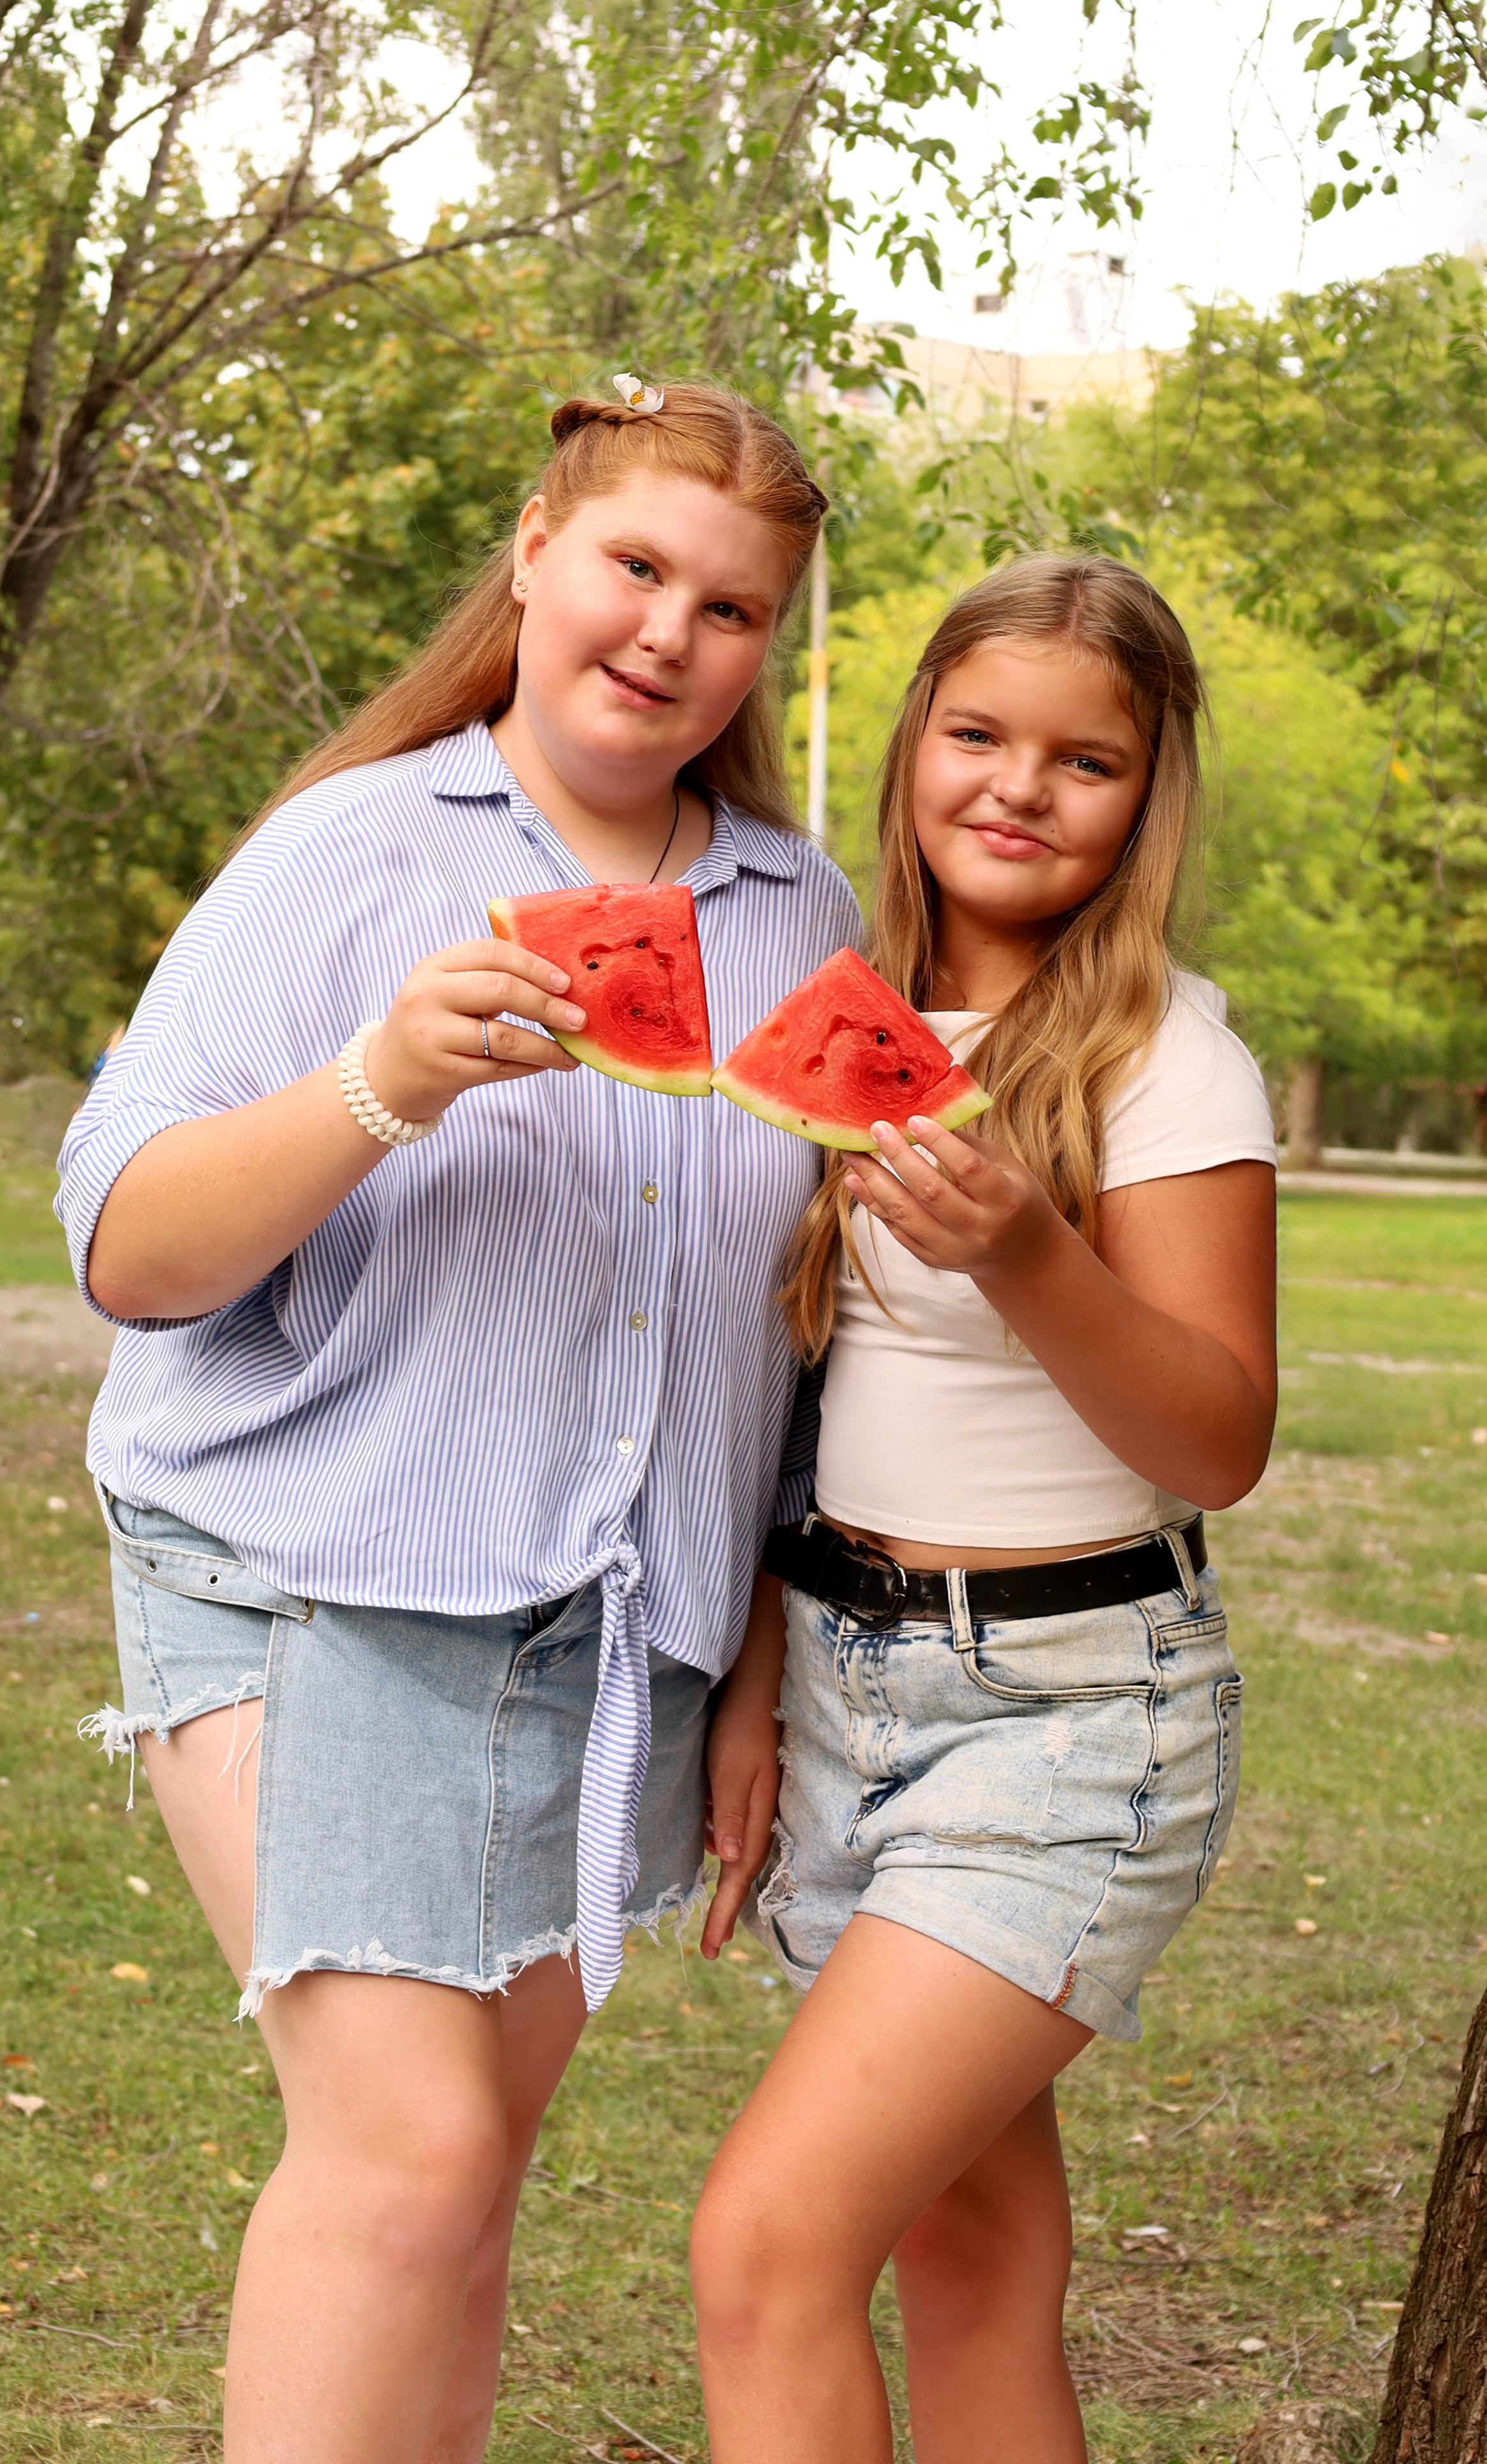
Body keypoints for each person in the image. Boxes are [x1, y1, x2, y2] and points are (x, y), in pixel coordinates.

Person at [56, 379, 858, 2464]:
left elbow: (798, 1341)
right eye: (637, 567)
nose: (675, 630)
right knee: (404, 2166)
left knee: (463, 2202)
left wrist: (753, 1654)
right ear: (532, 553)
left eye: (735, 605)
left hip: (617, 1658)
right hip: (304, 1580)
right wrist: (386, 1080)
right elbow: (130, 1246)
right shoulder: (358, 844)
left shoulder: (800, 918)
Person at [690, 554, 1279, 2462]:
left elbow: (1219, 1438)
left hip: (1066, 1716)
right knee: (971, 2250)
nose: (1019, 789)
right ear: (914, 750)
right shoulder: (850, 1014)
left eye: (1083, 761)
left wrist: (1032, 1249)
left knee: (765, 2252)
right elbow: (810, 1401)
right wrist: (766, 1680)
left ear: (1146, 799)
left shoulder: (1161, 1055)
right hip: (860, 1693)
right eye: (978, 735)